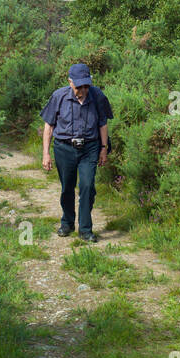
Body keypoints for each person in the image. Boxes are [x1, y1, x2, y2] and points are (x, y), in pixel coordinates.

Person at [40, 63, 111, 243]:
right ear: (70, 82)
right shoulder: (58, 96)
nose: (83, 89)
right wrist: (45, 154)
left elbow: (103, 123)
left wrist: (104, 149)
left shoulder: (97, 96)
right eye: (79, 86)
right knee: (67, 187)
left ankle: (85, 229)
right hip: (64, 148)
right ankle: (67, 222)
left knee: (87, 185)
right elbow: (49, 126)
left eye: (86, 85)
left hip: (90, 148)